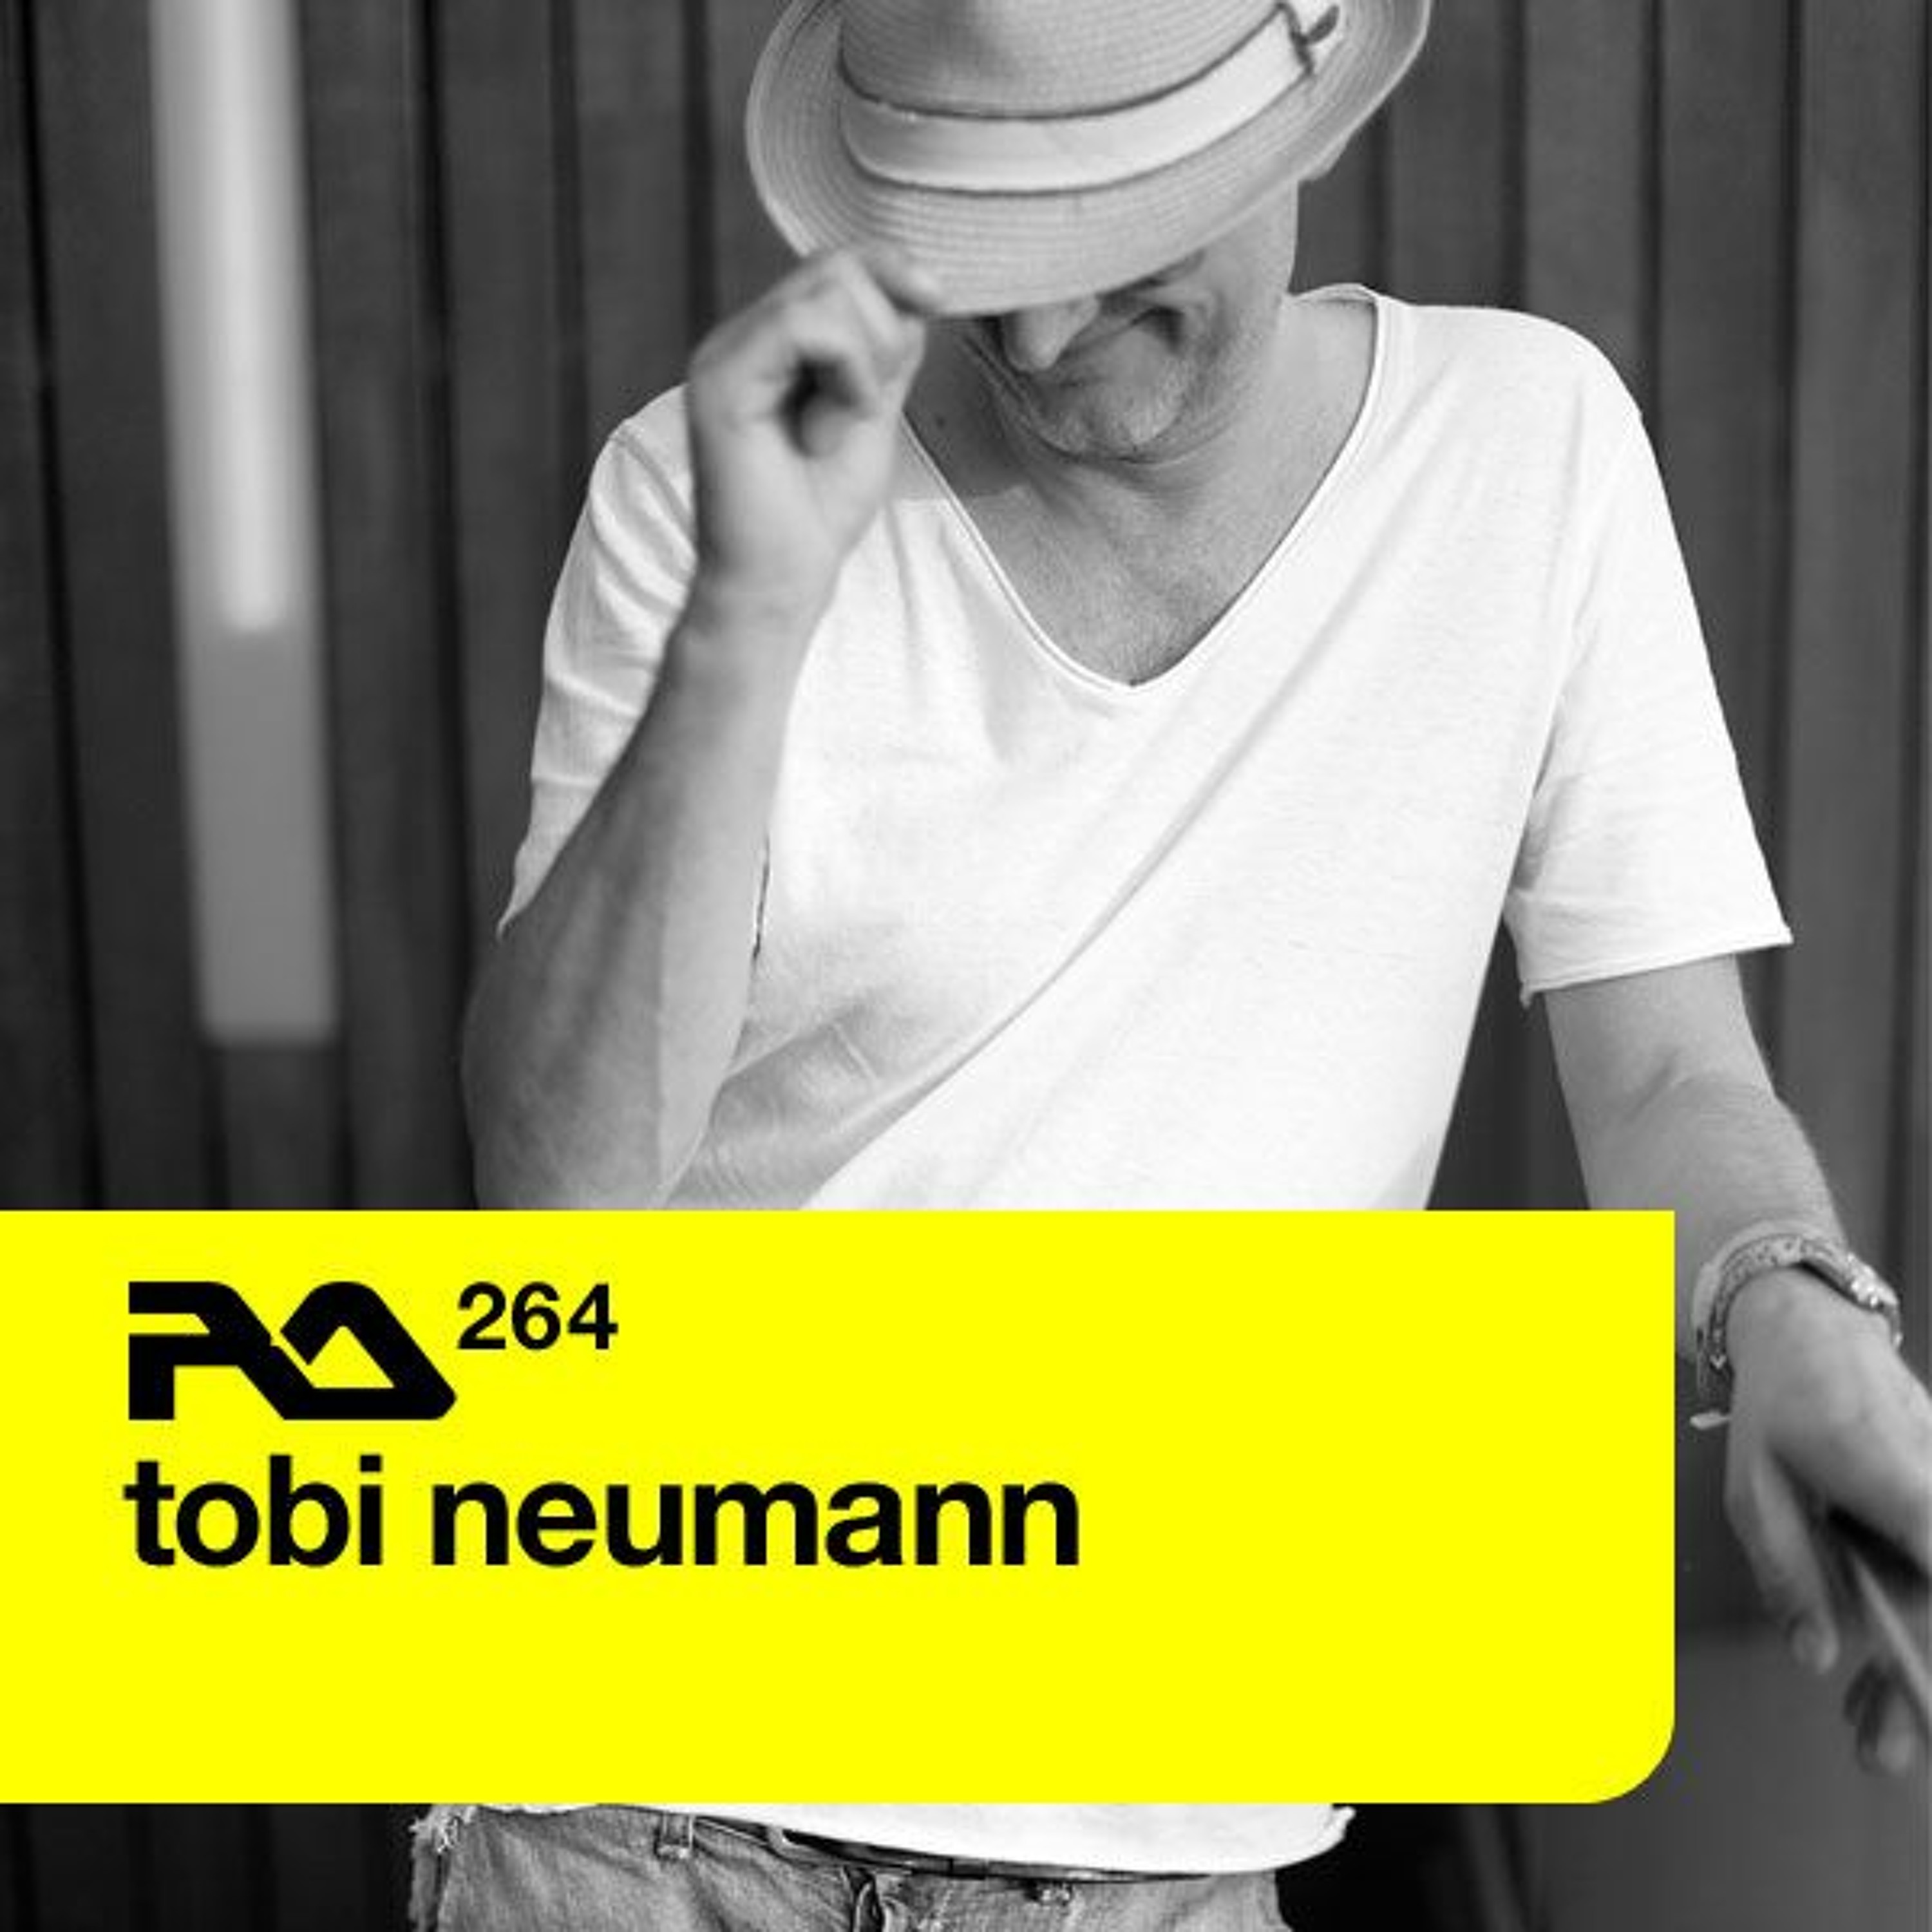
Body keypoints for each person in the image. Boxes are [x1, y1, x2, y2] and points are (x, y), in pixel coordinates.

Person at [447, 0, 1931, 1924]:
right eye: (987, 256)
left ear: (1297, 133)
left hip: (1181, 1857)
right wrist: (750, 612)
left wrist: (1789, 1303)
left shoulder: (1529, 447)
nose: (1042, 335)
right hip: (638, 1817)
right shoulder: (702, 490)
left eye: (1112, 241)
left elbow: (1667, 1073)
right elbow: (556, 1207)